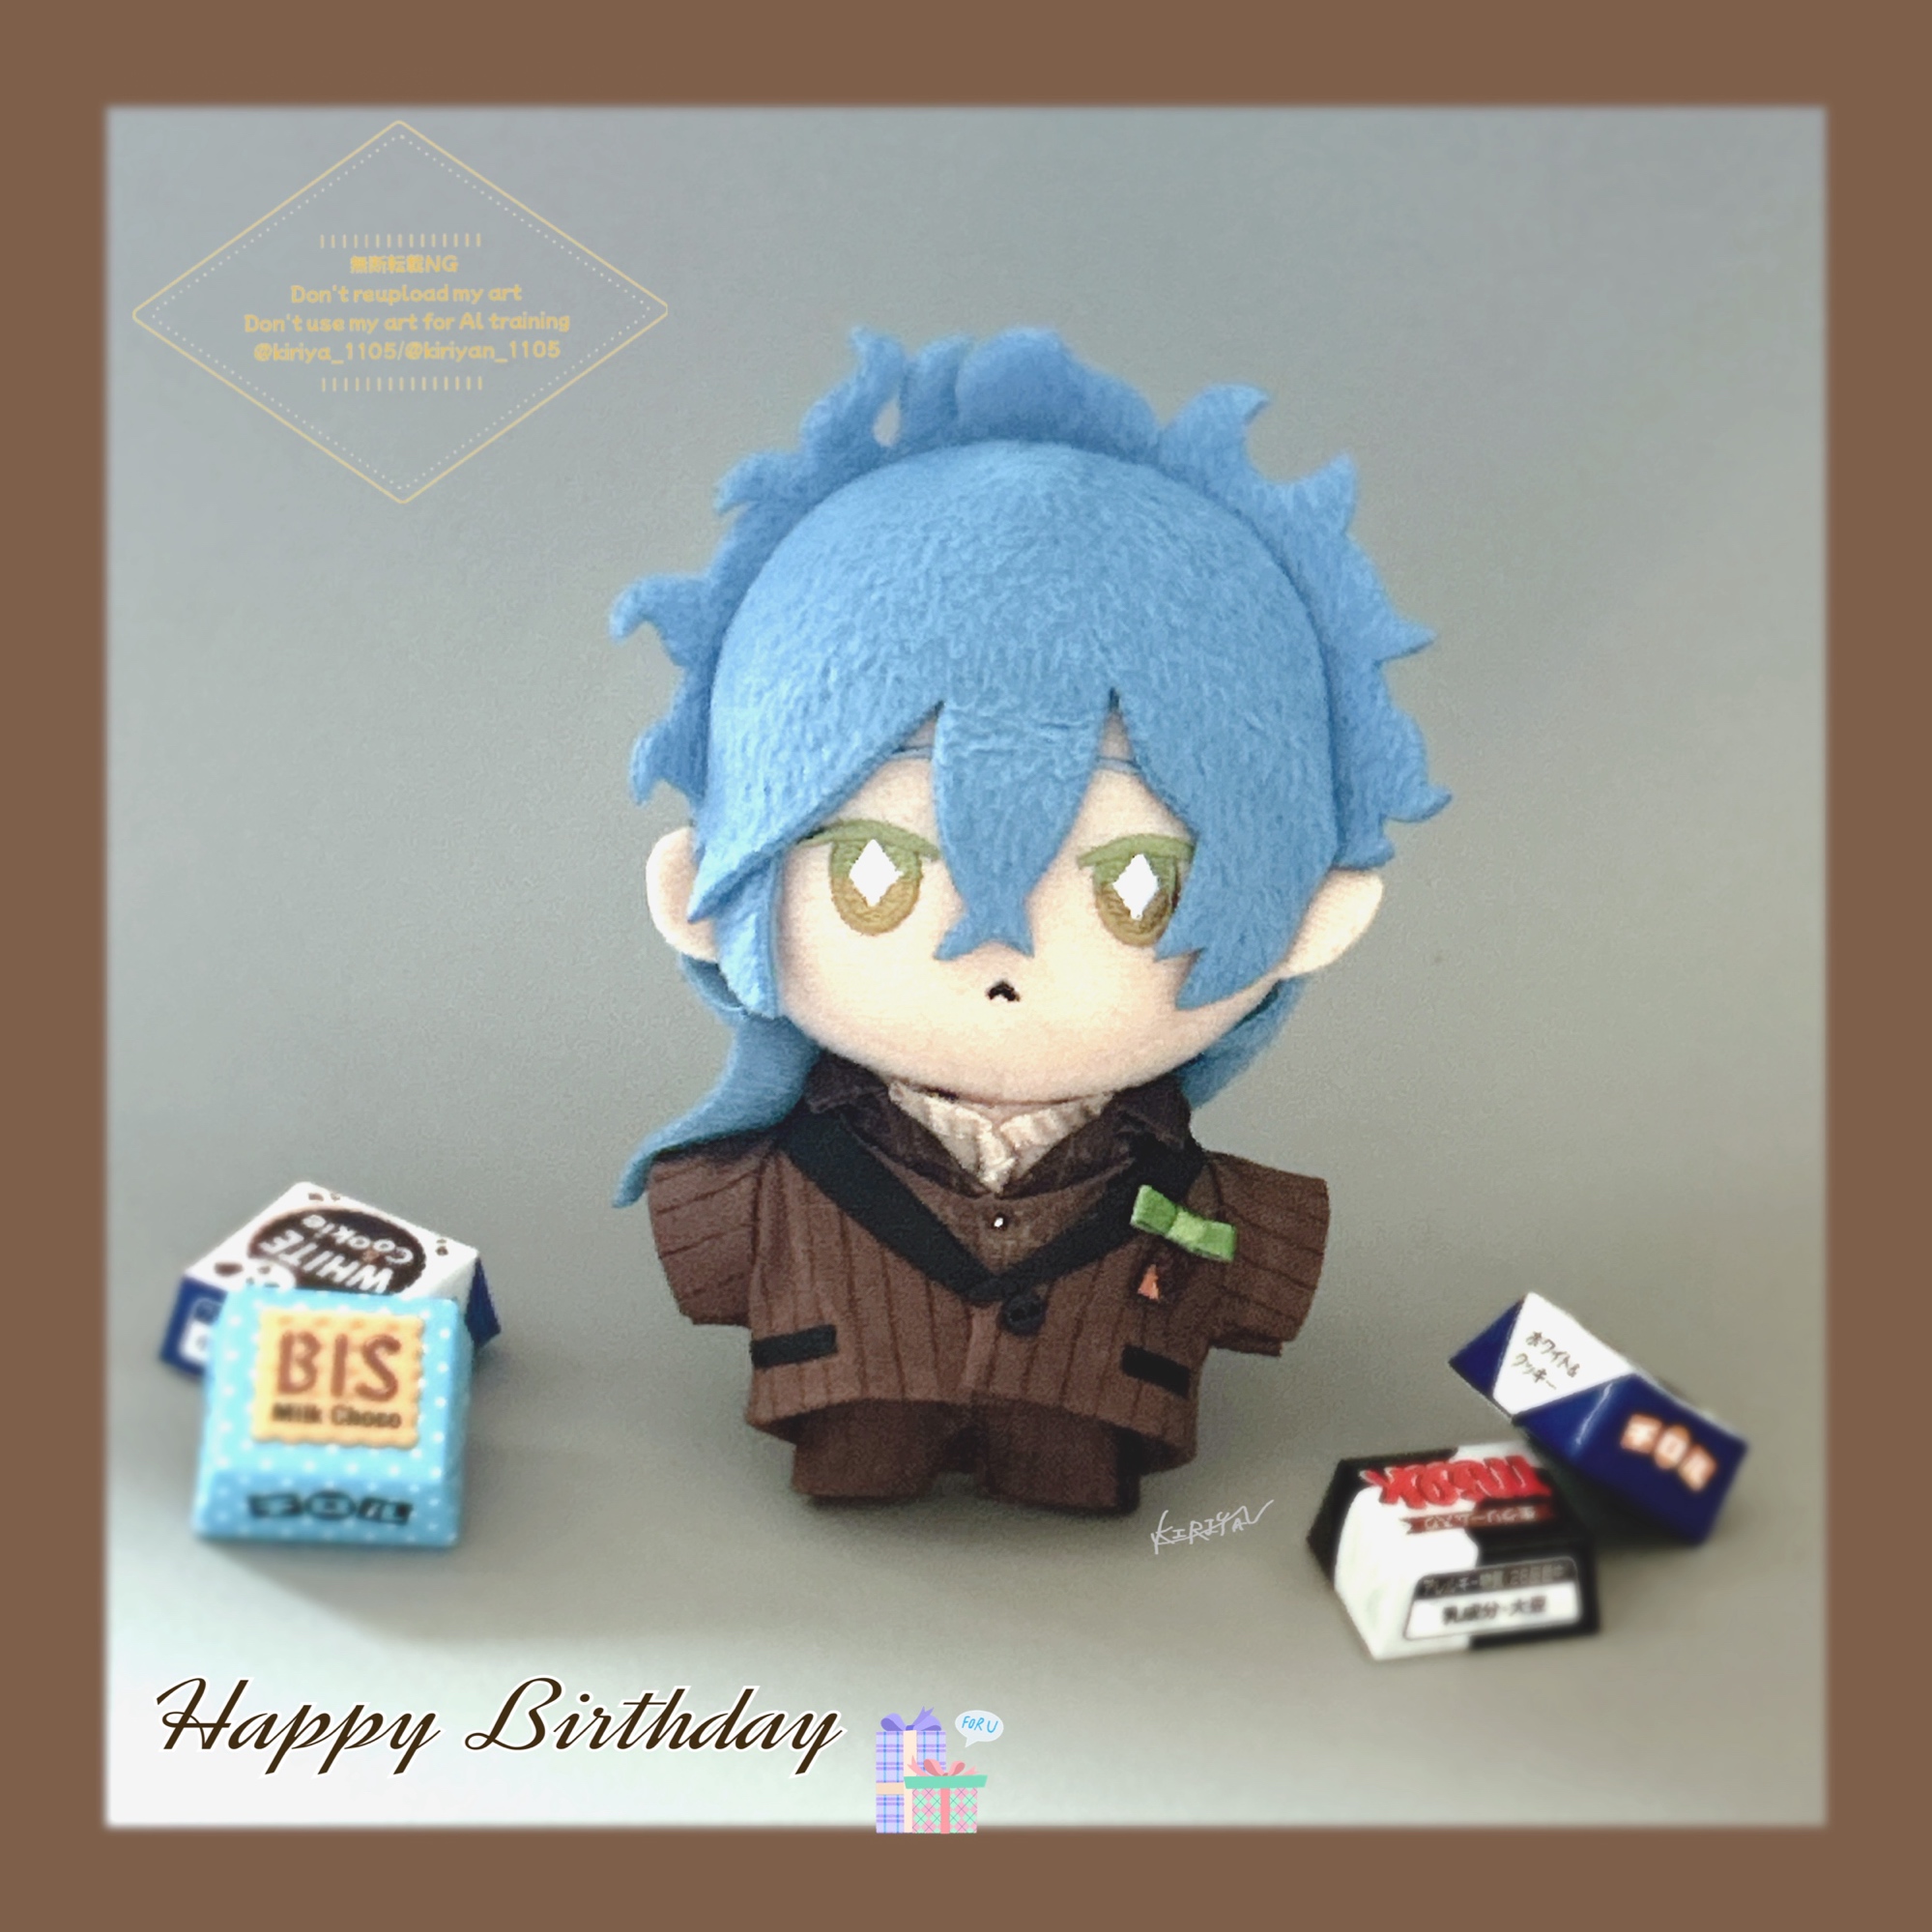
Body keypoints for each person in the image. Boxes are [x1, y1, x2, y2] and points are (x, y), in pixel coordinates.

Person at [611, 329, 1444, 1513]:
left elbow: (1259, 1276)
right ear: (705, 892)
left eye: (1139, 887)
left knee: (1074, 1469)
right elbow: (708, 1252)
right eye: (875, 873)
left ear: (1308, 919)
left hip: (1093, 1409)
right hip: (848, 1395)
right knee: (859, 1456)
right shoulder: (773, 1179)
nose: (998, 954)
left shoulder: (1190, 1193)